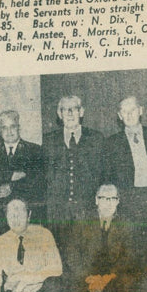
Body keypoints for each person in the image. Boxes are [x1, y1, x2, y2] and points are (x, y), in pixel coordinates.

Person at [65, 184, 141, 292]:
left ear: (118, 202)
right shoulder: (82, 221)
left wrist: (107, 278)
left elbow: (129, 257)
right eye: (103, 198)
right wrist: (89, 277)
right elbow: (72, 255)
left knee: (125, 286)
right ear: (96, 201)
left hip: (114, 276)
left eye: (112, 198)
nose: (108, 203)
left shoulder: (126, 224)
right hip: (88, 277)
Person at [42, 95, 105, 250]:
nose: (69, 113)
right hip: (58, 213)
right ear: (59, 114)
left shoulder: (96, 139)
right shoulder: (49, 140)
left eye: (74, 109)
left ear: (81, 112)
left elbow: (103, 175)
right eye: (65, 109)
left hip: (87, 211)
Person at [102, 96, 147, 225]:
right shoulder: (112, 142)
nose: (129, 114)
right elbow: (108, 175)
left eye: (133, 109)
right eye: (124, 111)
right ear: (119, 116)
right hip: (129, 199)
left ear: (141, 110)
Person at [0, 110, 46, 223]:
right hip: (0, 217)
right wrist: (10, 175)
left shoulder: (35, 150)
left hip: (27, 215)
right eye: (4, 127)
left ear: (18, 128)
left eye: (12, 127)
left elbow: (38, 180)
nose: (9, 132)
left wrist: (12, 186)